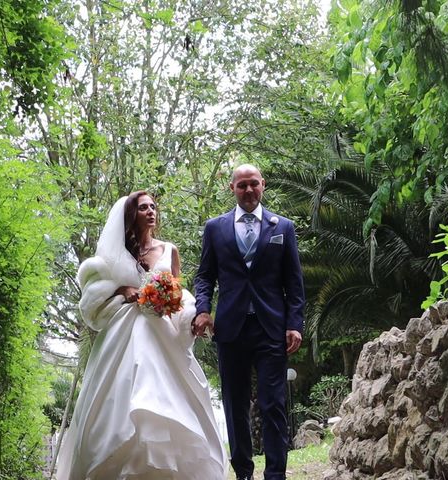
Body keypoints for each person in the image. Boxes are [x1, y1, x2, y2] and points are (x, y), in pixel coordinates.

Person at [56, 191, 227, 480]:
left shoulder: (169, 250)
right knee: (124, 388)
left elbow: (179, 292)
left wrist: (175, 305)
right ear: (131, 215)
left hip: (160, 331)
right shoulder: (114, 254)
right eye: (143, 207)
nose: (150, 212)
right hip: (124, 329)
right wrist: (123, 291)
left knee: (164, 392)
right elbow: (100, 290)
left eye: (153, 207)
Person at [193, 165, 305, 480]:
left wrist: (294, 323)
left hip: (272, 328)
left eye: (253, 184)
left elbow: (294, 283)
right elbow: (205, 277)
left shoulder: (283, 227)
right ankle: (243, 472)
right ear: (232, 188)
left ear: (263, 185)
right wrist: (203, 309)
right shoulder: (215, 228)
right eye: (242, 185)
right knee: (235, 404)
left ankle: (275, 474)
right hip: (230, 329)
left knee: (273, 403)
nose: (248, 190)